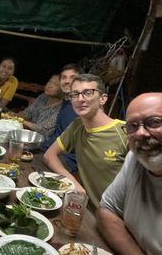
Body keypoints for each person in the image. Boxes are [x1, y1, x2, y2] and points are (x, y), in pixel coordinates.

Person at [43, 74, 128, 210]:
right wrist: (74, 183)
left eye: (88, 93)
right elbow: (49, 155)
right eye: (75, 94)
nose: (80, 99)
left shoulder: (125, 132)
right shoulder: (77, 126)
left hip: (119, 219)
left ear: (103, 99)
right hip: (85, 210)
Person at [97, 93, 162, 254]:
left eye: (154, 122)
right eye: (132, 126)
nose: (140, 133)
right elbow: (107, 210)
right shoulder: (135, 158)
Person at [41, 63, 83, 173]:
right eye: (64, 77)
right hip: (56, 151)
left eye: (72, 77)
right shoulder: (67, 103)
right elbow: (59, 134)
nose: (67, 81)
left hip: (68, 159)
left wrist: (41, 146)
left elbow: (67, 142)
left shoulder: (80, 105)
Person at [20, 74, 63, 140]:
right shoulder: (42, 97)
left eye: (56, 84)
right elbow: (27, 113)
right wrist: (14, 115)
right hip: (27, 135)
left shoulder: (62, 107)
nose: (49, 85)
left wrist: (19, 120)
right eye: (50, 82)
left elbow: (43, 130)